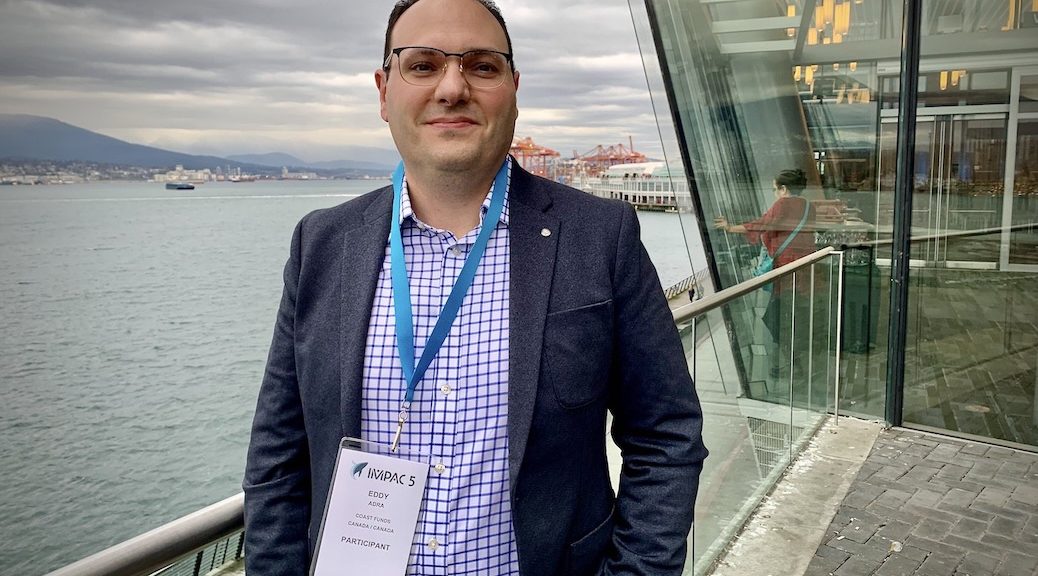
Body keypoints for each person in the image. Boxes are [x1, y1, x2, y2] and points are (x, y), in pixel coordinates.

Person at [243, 1, 707, 575]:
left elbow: (666, 433)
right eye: (422, 65)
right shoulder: (322, 244)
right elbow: (277, 456)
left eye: (482, 66)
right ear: (384, 92)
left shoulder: (599, 237)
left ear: (513, 90)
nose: (452, 88)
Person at [714, 168, 816, 378]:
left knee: (776, 319)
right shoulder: (809, 207)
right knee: (791, 317)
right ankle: (795, 364)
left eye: (775, 189)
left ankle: (795, 366)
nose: (775, 194)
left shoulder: (783, 204)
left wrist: (730, 228)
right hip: (805, 269)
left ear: (784, 189)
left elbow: (762, 224)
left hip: (786, 271)